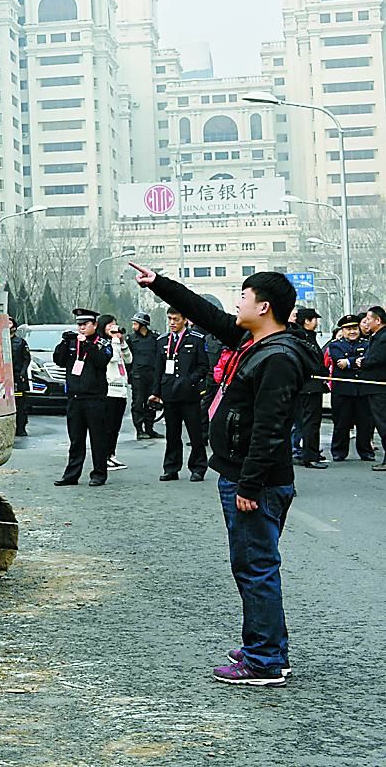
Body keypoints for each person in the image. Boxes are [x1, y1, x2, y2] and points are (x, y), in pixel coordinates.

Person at [132, 264, 315, 686]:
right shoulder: (255, 342)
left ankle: (264, 660)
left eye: (244, 297)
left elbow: (271, 429)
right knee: (252, 564)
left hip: (257, 482)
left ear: (264, 306)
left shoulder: (278, 357)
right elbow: (204, 313)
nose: (237, 303)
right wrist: (160, 285)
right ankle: (267, 646)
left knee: (255, 566)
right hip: (245, 474)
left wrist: (249, 484)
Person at [151, 306, 211, 481]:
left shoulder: (196, 339)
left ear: (185, 320)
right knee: (172, 433)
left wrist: (190, 380)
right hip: (170, 392)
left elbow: (203, 366)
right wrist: (156, 392)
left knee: (195, 433)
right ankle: (171, 467)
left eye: (175, 319)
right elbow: (158, 369)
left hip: (189, 393)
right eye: (169, 319)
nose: (172, 323)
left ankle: (198, 467)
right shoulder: (163, 341)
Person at [54, 311, 112, 486]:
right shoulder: (72, 342)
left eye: (85, 324)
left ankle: (99, 474)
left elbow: (101, 361)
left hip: (94, 398)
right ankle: (71, 474)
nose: (81, 327)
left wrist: (87, 345)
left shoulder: (102, 343)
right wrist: (64, 343)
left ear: (94, 325)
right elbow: (59, 360)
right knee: (76, 440)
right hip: (75, 398)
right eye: (79, 324)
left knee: (98, 439)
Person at [324, 314, 373, 461]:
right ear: (342, 331)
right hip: (342, 391)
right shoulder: (335, 345)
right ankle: (339, 452)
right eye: (348, 329)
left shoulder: (367, 344)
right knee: (341, 423)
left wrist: (349, 362)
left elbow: (368, 361)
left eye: (354, 328)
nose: (352, 332)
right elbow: (340, 362)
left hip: (362, 390)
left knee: (365, 423)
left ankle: (366, 452)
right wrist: (356, 361)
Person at [287, 307, 327, 469]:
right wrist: (321, 371)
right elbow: (311, 363)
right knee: (310, 422)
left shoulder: (307, 337)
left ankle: (312, 452)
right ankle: (310, 456)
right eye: (314, 319)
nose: (316, 323)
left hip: (311, 386)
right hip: (308, 386)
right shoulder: (303, 338)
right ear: (307, 321)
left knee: (310, 422)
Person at [351, 305, 386, 471]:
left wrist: (362, 362)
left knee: (383, 423)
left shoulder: (383, 337)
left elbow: (378, 358)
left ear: (378, 320)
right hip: (373, 387)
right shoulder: (377, 336)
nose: (365, 323)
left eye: (369, 320)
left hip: (379, 387)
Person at [99, 315, 132, 470]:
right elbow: (112, 357)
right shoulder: (102, 343)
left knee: (116, 427)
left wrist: (123, 341)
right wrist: (114, 340)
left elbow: (128, 359)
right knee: (108, 426)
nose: (113, 328)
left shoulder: (118, 342)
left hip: (121, 389)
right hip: (109, 390)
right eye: (109, 325)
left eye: (115, 324)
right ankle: (104, 456)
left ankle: (112, 455)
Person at [128, 312, 164, 439]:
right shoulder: (131, 339)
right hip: (138, 375)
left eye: (135, 324)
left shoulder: (155, 338)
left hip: (152, 375)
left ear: (143, 325)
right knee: (138, 402)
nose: (133, 326)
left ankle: (149, 428)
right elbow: (128, 358)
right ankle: (139, 430)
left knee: (151, 402)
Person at [10, 321, 32, 438]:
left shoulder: (20, 342)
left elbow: (26, 359)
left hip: (17, 377)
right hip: (4, 378)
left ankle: (21, 427)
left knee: (20, 403)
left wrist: (22, 373)